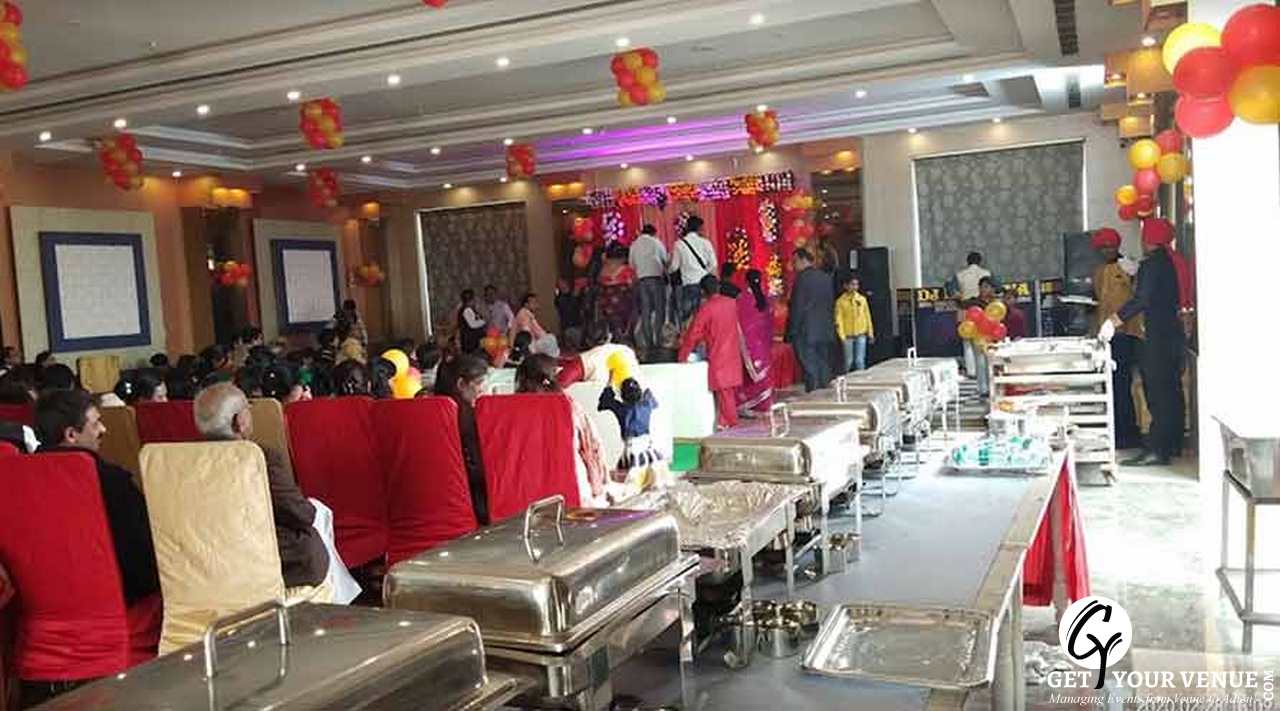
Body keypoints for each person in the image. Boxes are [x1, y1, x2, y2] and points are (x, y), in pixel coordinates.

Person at [193, 383, 330, 592]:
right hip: (267, 561)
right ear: (239, 421)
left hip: (210, 563)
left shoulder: (184, 461)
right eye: (248, 408)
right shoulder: (260, 458)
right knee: (317, 519)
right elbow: (299, 514)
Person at [34, 389, 160, 605]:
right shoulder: (112, 482)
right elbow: (143, 555)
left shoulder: (19, 478)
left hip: (42, 599)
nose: (103, 429)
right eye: (95, 424)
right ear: (71, 435)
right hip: (116, 599)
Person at [1104, 218, 1185, 466]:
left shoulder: (1152, 265)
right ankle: (1172, 443)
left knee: (1157, 393)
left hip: (1155, 336)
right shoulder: (1170, 261)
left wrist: (1114, 320)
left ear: (1148, 238)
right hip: (1171, 334)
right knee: (1172, 391)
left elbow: (1142, 299)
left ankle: (1158, 450)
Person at [516, 355, 608, 506]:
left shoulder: (510, 411)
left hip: (525, 495)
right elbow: (593, 446)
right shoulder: (570, 407)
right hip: (575, 492)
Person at [1090, 227, 1142, 449]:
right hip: (1107, 334)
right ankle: (1117, 430)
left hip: (1125, 332)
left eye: (1109, 246)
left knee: (1122, 384)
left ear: (1117, 245)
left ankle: (1128, 433)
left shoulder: (1128, 266)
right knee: (1112, 383)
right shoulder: (1100, 270)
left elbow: (1136, 299)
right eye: (1102, 248)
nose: (1106, 250)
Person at [678, 276, 745, 429]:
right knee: (728, 390)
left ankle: (729, 421)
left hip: (718, 352)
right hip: (733, 351)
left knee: (723, 390)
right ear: (718, 287)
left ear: (703, 291)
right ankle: (725, 420)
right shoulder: (731, 303)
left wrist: (682, 356)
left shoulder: (707, 308)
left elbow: (693, 334)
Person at [434, 354, 491, 525]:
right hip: (475, 504)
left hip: (441, 500)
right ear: (461, 385)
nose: (484, 390)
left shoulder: (432, 412)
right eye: (480, 383)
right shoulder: (472, 420)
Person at [599, 377, 668, 500]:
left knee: (630, 485)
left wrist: (610, 381)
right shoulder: (646, 404)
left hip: (632, 450)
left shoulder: (622, 409)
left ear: (623, 395)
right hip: (648, 449)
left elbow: (604, 403)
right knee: (654, 482)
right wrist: (640, 380)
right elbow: (653, 400)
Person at [787, 249, 836, 392]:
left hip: (806, 331)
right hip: (825, 329)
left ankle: (814, 395)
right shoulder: (825, 277)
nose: (793, 265)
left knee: (810, 367)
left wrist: (791, 331)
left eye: (795, 261)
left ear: (803, 260)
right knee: (823, 365)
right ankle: (825, 393)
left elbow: (797, 307)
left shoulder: (802, 279)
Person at [556, 321, 640, 389]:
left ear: (588, 341)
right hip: (631, 394)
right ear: (609, 336)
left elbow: (560, 384)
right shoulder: (626, 350)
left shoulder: (586, 359)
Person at [736, 269, 774, 414]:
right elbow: (769, 323)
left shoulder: (742, 299)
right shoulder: (765, 299)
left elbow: (739, 323)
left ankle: (749, 404)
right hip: (762, 344)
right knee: (762, 375)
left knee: (748, 376)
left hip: (749, 345)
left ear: (746, 281)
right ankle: (764, 403)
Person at [669, 216, 717, 325]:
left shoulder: (679, 244)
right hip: (705, 287)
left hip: (689, 286)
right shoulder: (706, 243)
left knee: (689, 321)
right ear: (700, 228)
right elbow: (713, 264)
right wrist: (704, 272)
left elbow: (674, 267)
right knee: (704, 319)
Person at [629, 224, 669, 353]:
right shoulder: (656, 242)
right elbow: (665, 259)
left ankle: (649, 343)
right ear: (653, 233)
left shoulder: (634, 245)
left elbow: (631, 264)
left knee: (645, 312)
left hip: (642, 280)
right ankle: (659, 341)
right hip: (656, 279)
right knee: (659, 311)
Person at [835, 272, 874, 373]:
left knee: (860, 361)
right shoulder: (840, 301)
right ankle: (846, 378)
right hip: (848, 335)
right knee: (848, 361)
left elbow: (867, 316)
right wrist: (842, 336)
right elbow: (839, 320)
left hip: (861, 333)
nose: (855, 287)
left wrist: (870, 333)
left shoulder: (862, 299)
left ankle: (861, 379)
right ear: (845, 286)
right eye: (852, 284)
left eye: (856, 284)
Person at [598, 244, 636, 345]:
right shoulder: (625, 269)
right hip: (621, 300)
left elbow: (600, 281)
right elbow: (632, 282)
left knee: (611, 322)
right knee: (624, 322)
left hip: (606, 300)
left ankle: (613, 337)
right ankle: (623, 339)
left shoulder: (604, 268)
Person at [511, 292, 560, 357]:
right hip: (527, 346)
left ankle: (553, 357)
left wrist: (545, 335)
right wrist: (544, 337)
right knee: (551, 339)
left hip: (532, 343)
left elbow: (539, 331)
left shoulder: (528, 314)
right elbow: (526, 334)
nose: (536, 305)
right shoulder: (523, 314)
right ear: (526, 304)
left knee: (550, 339)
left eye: (536, 302)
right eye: (533, 303)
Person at [457, 289, 487, 354]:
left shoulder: (469, 309)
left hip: (471, 340)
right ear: (471, 299)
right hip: (470, 341)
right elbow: (472, 325)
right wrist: (484, 321)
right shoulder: (467, 310)